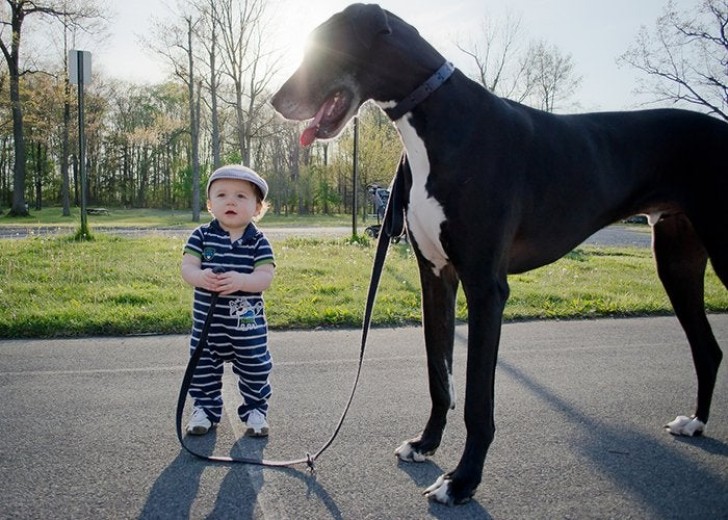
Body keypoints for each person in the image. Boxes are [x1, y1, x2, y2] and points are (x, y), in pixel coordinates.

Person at [181, 164, 275, 437]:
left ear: (258, 208)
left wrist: (242, 282)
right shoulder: (201, 236)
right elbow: (187, 268)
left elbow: (265, 277)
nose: (230, 201)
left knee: (255, 367)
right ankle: (204, 410)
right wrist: (200, 277)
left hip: (247, 328)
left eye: (241, 196)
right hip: (208, 327)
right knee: (202, 369)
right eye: (221, 195)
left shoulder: (258, 241)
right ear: (210, 205)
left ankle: (256, 410)